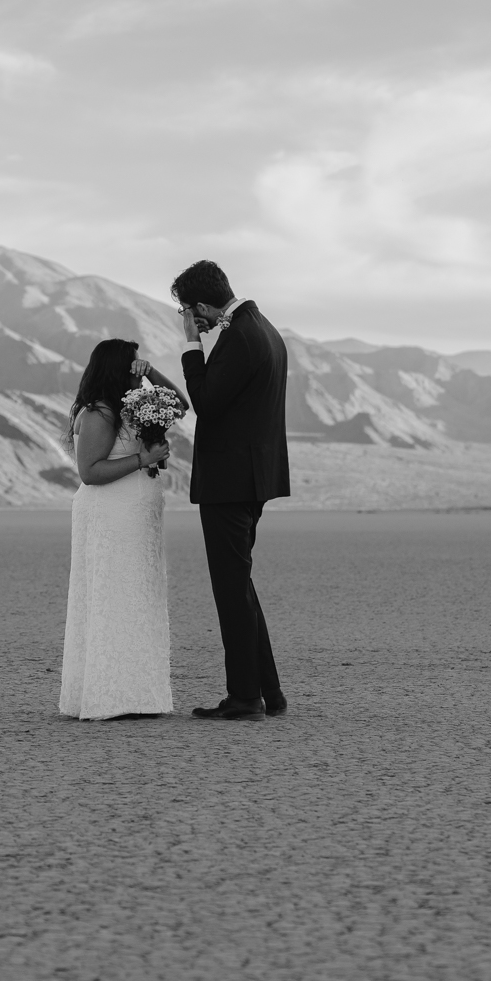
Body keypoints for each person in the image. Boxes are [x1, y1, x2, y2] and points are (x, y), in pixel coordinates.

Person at [173, 260, 291, 721]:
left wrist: (190, 345)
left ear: (201, 305)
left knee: (230, 589)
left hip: (230, 482)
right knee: (239, 585)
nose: (189, 318)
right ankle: (269, 692)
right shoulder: (264, 328)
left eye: (188, 311)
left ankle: (245, 698)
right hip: (252, 479)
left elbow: (206, 402)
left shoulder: (241, 335)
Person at [58, 338, 189, 720]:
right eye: (132, 363)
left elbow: (180, 405)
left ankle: (138, 695)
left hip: (138, 515)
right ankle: (107, 697)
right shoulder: (98, 412)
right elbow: (90, 473)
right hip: (111, 515)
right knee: (113, 596)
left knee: (138, 597)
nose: (137, 367)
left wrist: (151, 373)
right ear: (117, 367)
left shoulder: (134, 406)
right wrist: (142, 458)